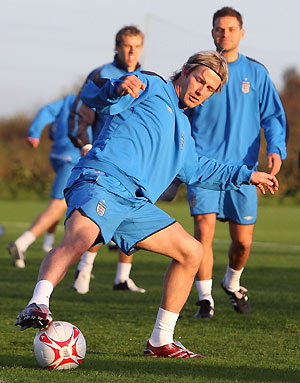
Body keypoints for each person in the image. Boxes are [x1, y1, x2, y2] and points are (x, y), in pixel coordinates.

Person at [15, 51, 279, 358]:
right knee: (80, 238)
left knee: (191, 252)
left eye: (209, 89)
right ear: (185, 72)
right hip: (102, 180)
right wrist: (116, 87)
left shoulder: (183, 129)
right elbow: (94, 94)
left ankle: (160, 341)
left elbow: (197, 170)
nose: (200, 90)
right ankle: (39, 303)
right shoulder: (150, 85)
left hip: (135, 204)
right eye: (199, 80)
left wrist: (248, 175)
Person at [188, 7, 287, 319]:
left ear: (241, 33)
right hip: (203, 167)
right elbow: (181, 111)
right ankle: (205, 300)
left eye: (231, 29)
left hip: (245, 172)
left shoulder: (255, 73)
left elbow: (272, 115)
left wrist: (276, 147)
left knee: (242, 242)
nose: (224, 34)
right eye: (219, 28)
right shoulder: (200, 71)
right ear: (212, 32)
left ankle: (232, 282)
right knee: (203, 231)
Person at [68, 25, 145, 294]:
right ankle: (85, 268)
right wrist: (84, 143)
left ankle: (122, 278)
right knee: (100, 217)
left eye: (137, 45)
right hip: (104, 161)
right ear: (117, 46)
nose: (132, 50)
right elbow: (81, 112)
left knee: (133, 214)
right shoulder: (102, 75)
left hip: (133, 162)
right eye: (127, 44)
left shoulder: (145, 78)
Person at [8, 94, 80, 268]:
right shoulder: (100, 100)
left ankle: (48, 242)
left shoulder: (71, 99)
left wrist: (35, 133)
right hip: (72, 158)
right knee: (58, 206)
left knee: (63, 204)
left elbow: (46, 111)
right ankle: (22, 243)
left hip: (57, 155)